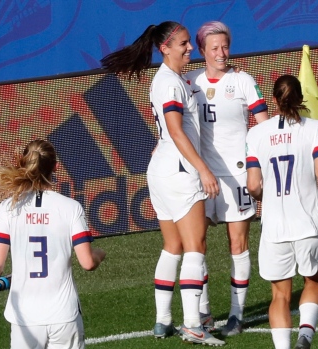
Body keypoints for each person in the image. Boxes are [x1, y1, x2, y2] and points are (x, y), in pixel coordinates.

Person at [100, 22, 225, 346]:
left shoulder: (168, 80)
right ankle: (194, 325)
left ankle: (163, 320)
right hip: (180, 173)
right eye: (184, 43)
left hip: (161, 170)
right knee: (195, 248)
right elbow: (176, 130)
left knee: (173, 246)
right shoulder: (170, 83)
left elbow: (169, 132)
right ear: (164, 48)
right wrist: (204, 170)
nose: (189, 49)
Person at [185, 20, 269, 336]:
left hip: (237, 174)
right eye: (215, 48)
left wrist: (256, 167)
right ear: (203, 51)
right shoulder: (189, 81)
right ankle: (204, 313)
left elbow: (263, 126)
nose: (222, 53)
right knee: (197, 244)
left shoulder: (244, 81)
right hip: (202, 176)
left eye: (225, 46)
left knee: (238, 242)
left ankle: (236, 315)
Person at [0, 139, 106, 349]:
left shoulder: (7, 208)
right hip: (63, 315)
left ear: (23, 163)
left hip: (25, 319)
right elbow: (87, 262)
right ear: (56, 166)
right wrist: (100, 254)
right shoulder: (71, 207)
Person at [246, 74, 318, 349]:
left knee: (279, 295)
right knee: (313, 281)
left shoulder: (256, 133)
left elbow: (253, 185)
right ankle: (305, 337)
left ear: (274, 100)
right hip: (309, 222)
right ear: (301, 99)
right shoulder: (314, 127)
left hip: (275, 227)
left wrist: (269, 197)